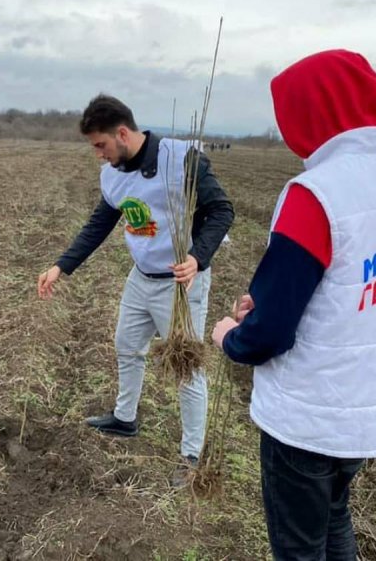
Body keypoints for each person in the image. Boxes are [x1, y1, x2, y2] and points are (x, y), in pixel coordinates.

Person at [211, 50, 376, 559]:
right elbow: (368, 292)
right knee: (334, 515)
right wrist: (273, 302)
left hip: (309, 419)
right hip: (373, 412)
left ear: (307, 116)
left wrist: (230, 333)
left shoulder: (315, 194)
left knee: (298, 547)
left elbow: (268, 335)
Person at [38, 94, 234, 485]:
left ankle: (192, 453)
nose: (98, 154)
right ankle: (125, 418)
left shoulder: (181, 159)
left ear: (123, 133)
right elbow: (100, 222)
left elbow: (222, 210)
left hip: (180, 284)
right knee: (127, 346)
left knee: (186, 368)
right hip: (141, 276)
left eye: (100, 145)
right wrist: (62, 266)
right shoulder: (112, 174)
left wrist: (197, 257)